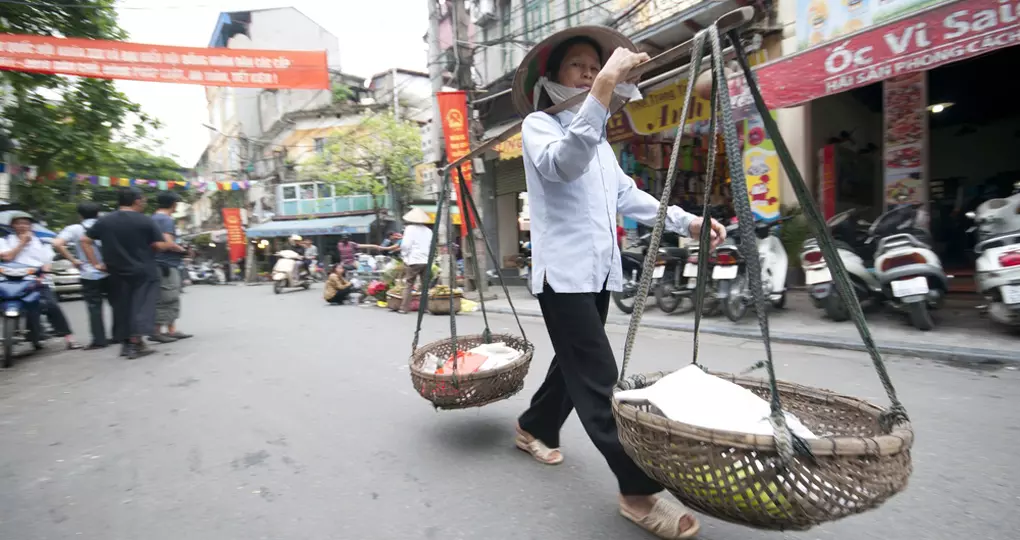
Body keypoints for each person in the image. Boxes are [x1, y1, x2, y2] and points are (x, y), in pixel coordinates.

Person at [509, 28, 726, 539]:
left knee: (574, 364)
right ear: (553, 80)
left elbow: (629, 197)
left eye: (593, 65)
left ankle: (533, 426)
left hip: (597, 274)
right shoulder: (540, 126)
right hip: (561, 278)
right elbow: (563, 165)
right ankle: (637, 492)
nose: (587, 71)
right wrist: (606, 85)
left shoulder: (601, 142)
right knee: (602, 381)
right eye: (577, 66)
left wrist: (686, 221)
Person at [80, 187, 183, 360]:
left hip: (116, 271)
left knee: (122, 307)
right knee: (142, 306)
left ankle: (127, 345)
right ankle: (135, 343)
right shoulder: (144, 221)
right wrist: (171, 246)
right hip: (143, 270)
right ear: (136, 200)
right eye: (143, 200)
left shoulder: (105, 221)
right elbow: (159, 245)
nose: (144, 203)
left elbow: (85, 241)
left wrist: (96, 264)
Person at [0, 211, 82, 350]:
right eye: (18, 223)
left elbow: (47, 262)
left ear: (31, 225)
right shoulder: (5, 240)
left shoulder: (42, 241)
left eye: (25, 223)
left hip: (35, 280)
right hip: (9, 281)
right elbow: (7, 257)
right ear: (12, 225)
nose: (22, 226)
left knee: (51, 305)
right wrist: (22, 243)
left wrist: (44, 271)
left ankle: (69, 338)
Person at [53, 202, 111, 350]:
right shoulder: (107, 226)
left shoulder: (74, 229)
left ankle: (99, 339)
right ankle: (119, 335)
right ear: (98, 213)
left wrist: (73, 260)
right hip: (110, 271)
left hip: (89, 273)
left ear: (80, 215)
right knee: (117, 305)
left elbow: (57, 243)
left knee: (94, 308)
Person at [150, 191, 192, 344]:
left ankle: (171, 330)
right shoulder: (165, 220)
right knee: (167, 297)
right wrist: (183, 250)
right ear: (173, 204)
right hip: (165, 264)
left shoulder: (153, 218)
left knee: (170, 296)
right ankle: (157, 331)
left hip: (160, 263)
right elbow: (168, 243)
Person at [396, 208, 434, 314]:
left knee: (409, 283)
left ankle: (404, 308)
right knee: (425, 284)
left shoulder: (409, 229)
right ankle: (425, 307)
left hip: (413, 260)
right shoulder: (428, 231)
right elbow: (431, 246)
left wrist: (404, 256)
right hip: (426, 260)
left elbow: (405, 245)